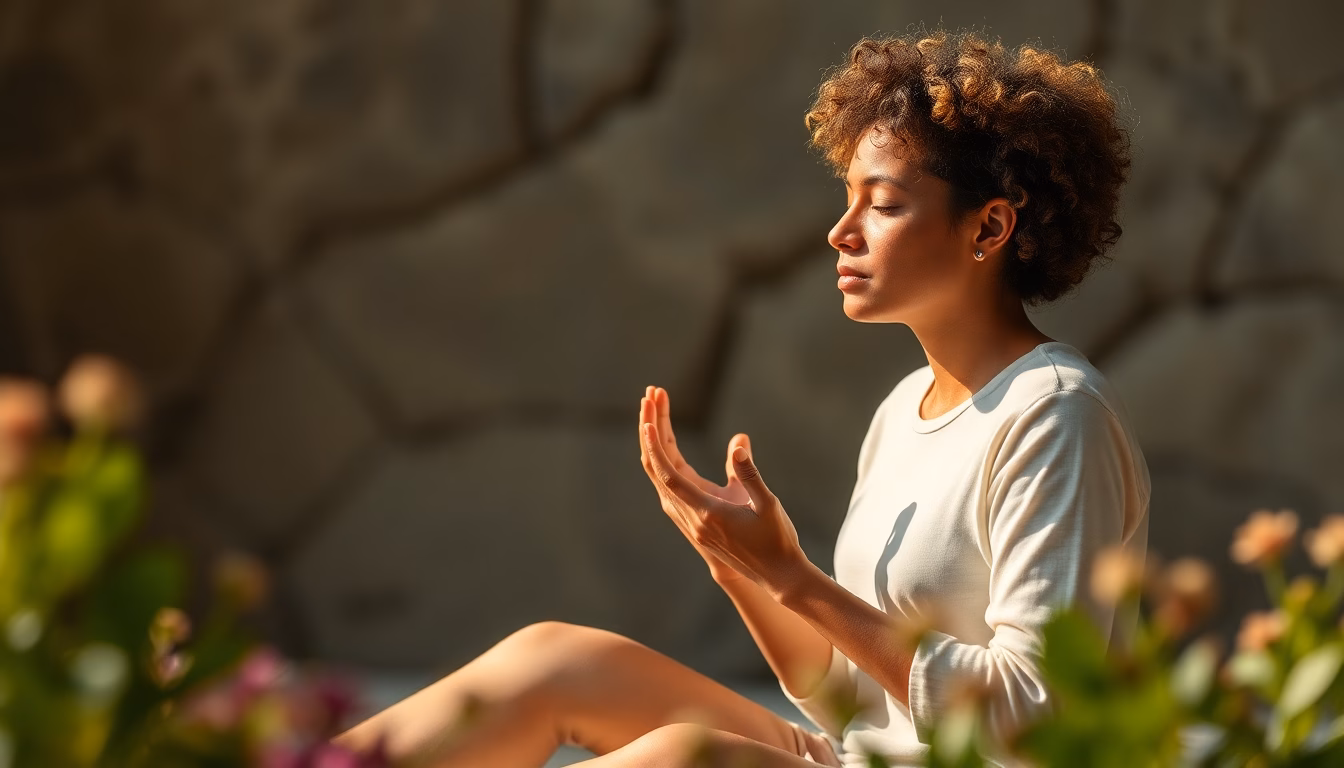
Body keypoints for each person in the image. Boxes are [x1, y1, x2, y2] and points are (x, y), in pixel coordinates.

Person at [333, 29, 1150, 768]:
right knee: (555, 659)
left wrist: (793, 576)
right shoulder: (907, 408)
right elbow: (843, 699)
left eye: (886, 203)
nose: (842, 230)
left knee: (684, 756)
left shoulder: (1055, 416)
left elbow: (1040, 717)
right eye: (849, 196)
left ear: (990, 228)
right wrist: (740, 565)